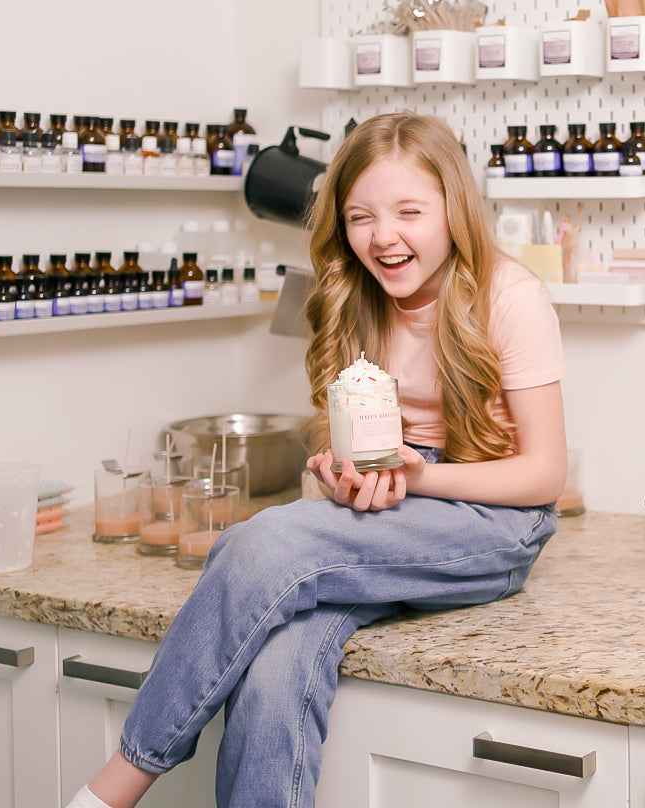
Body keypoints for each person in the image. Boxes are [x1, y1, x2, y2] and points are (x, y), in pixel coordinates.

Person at [68, 112, 568, 808]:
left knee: (261, 540)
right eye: (360, 216)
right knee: (278, 661)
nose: (382, 236)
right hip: (397, 515)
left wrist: (416, 474)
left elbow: (543, 475)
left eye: (409, 212)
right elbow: (358, 439)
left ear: (455, 208)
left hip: (491, 520)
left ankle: (114, 787)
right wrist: (343, 470)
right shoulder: (353, 295)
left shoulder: (510, 296)